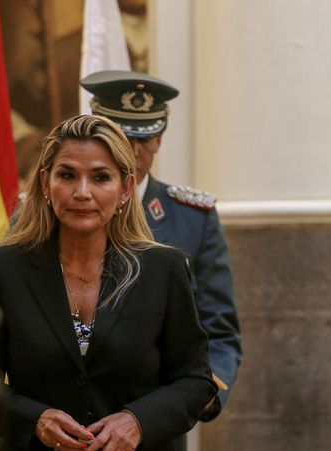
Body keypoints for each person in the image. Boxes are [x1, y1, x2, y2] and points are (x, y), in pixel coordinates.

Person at [0, 115, 217, 451]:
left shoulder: (163, 268)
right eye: (67, 175)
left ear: (125, 189)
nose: (82, 192)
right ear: (45, 184)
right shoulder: (4, 268)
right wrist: (33, 419)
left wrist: (138, 422)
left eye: (101, 177)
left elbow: (195, 380)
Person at [81, 70, 242, 422]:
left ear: (159, 140)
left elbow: (218, 327)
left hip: (154, 420)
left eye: (144, 138)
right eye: (122, 138)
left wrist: (206, 390)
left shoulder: (193, 218)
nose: (133, 151)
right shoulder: (63, 208)